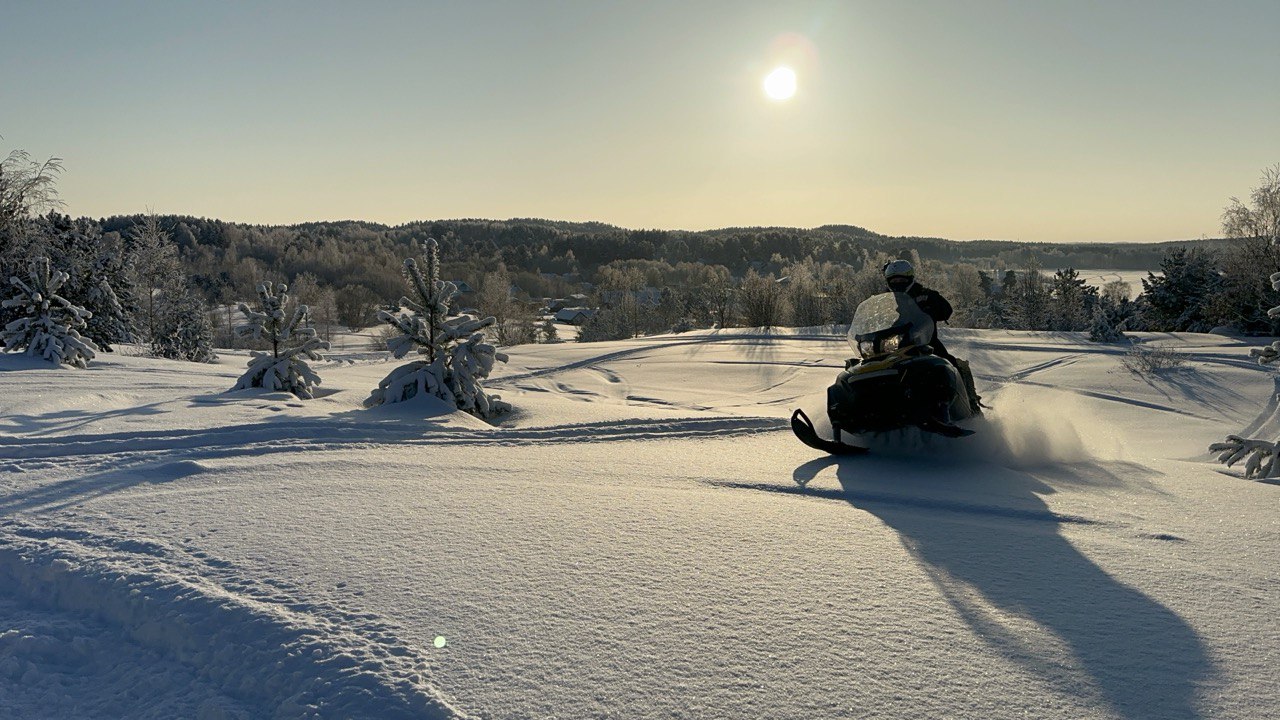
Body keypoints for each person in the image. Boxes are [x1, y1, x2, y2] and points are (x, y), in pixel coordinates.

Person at [882, 260, 983, 411]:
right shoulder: (885, 301)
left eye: (902, 280)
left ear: (909, 279)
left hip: (925, 342)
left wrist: (933, 307)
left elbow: (946, 310)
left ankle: (970, 403)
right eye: (894, 280)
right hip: (894, 345)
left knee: (951, 364)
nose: (898, 283)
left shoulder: (924, 294)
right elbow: (874, 319)